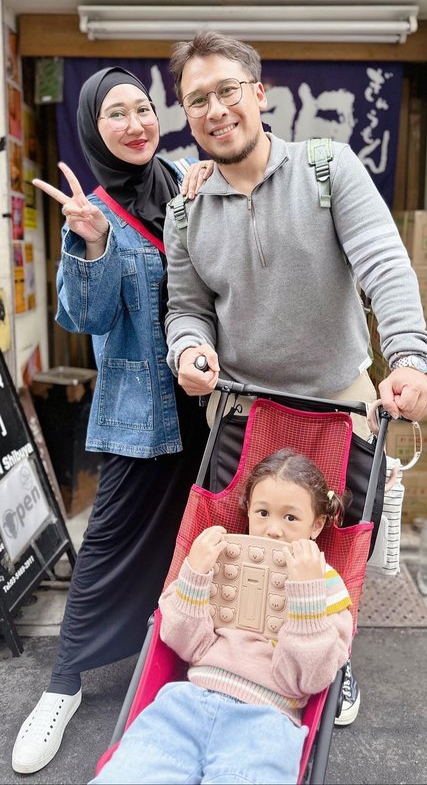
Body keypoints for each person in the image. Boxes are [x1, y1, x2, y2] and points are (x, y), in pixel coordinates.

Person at [162, 31, 427, 727]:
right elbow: (187, 309)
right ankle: (239, 663)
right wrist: (188, 352)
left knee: (330, 548)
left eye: (227, 90)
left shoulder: (327, 167)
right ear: (186, 114)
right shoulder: (186, 206)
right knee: (248, 555)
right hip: (243, 410)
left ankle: (333, 661)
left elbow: (385, 264)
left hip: (337, 403)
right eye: (197, 100)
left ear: (260, 95)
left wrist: (407, 358)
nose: (215, 108)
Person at [12, 67, 212, 775]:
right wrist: (92, 245)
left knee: (202, 547)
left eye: (143, 109)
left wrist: (206, 195)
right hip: (140, 415)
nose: (135, 124)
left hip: (215, 408)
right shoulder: (92, 210)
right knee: (105, 551)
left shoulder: (193, 178)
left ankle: (186, 666)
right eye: (115, 114)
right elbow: (84, 318)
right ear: (93, 129)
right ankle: (62, 687)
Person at [89, 447, 353, 785]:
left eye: (290, 518)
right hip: (187, 704)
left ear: (316, 525)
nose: (273, 530)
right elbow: (187, 647)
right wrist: (195, 576)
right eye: (262, 513)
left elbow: (308, 680)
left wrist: (306, 600)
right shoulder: (220, 559)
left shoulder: (328, 587)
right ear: (248, 513)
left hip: (266, 720)